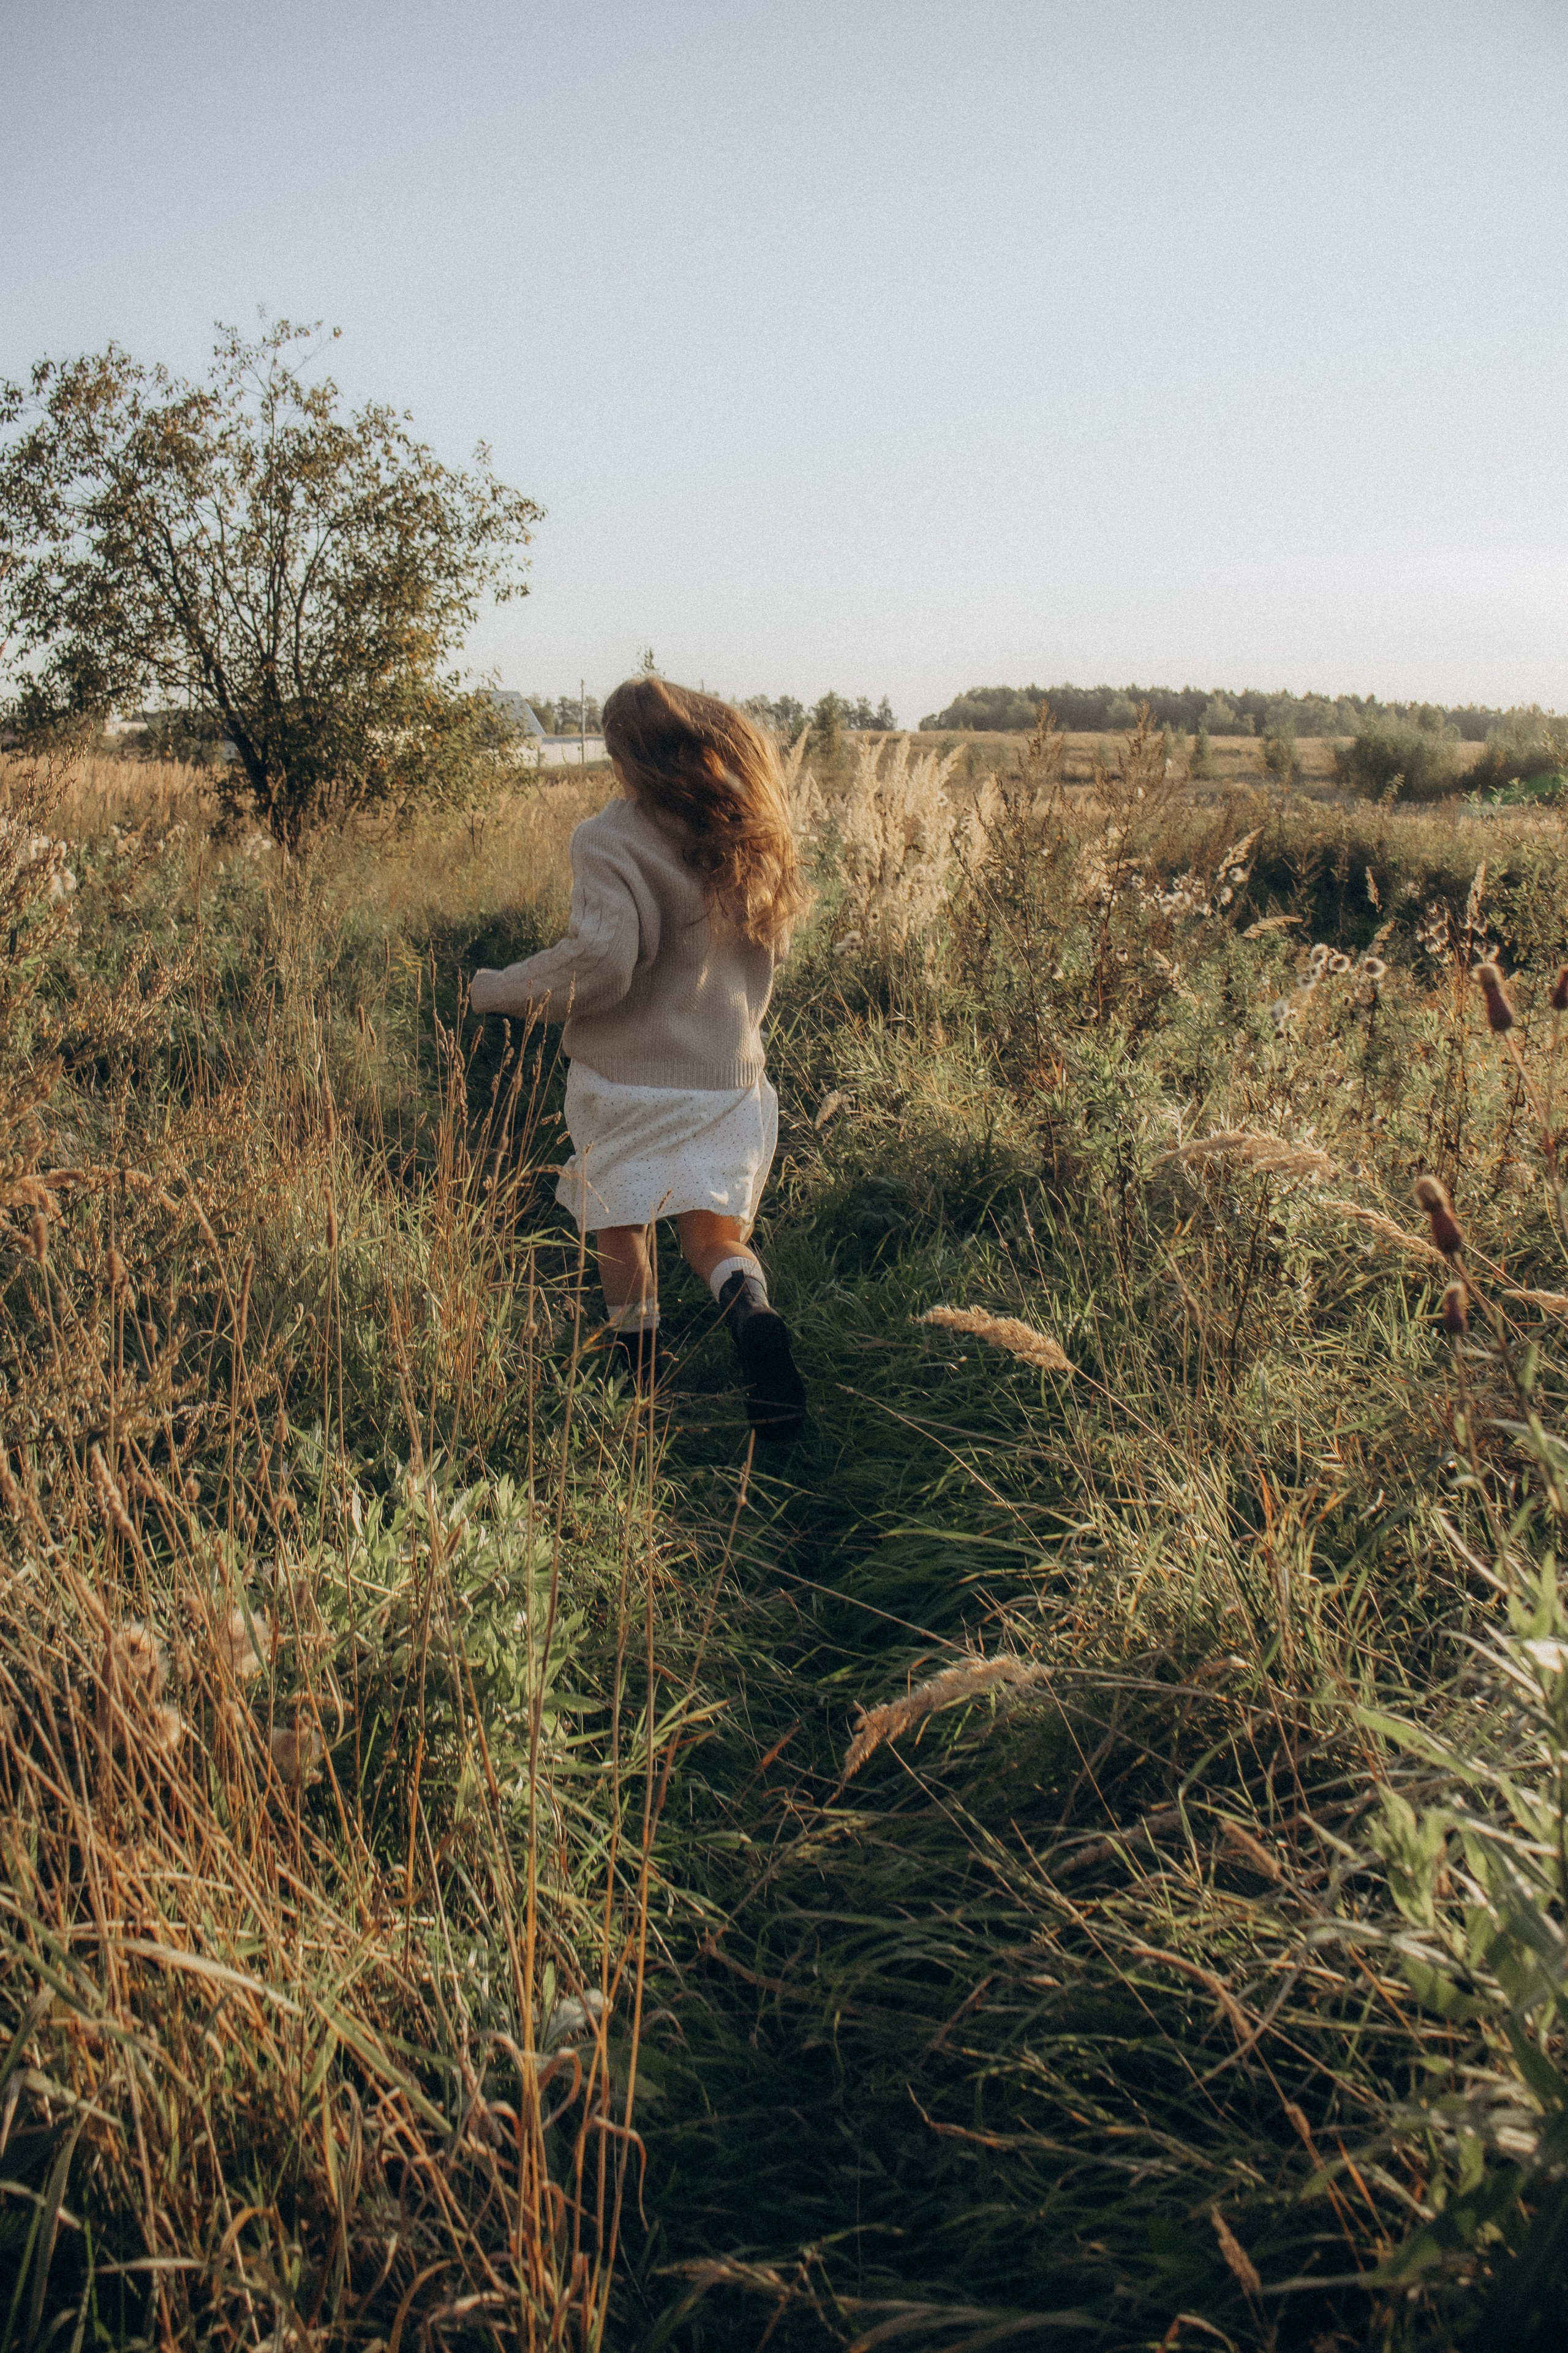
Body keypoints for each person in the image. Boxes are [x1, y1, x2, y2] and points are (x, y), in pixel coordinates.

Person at [469, 677, 808, 1440]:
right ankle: (750, 1312)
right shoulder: (748, 831)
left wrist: (498, 989)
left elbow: (600, 967)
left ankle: (644, 1388)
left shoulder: (610, 836)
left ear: (625, 754)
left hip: (625, 1084)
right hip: (727, 1081)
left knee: (619, 1227)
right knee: (714, 1241)